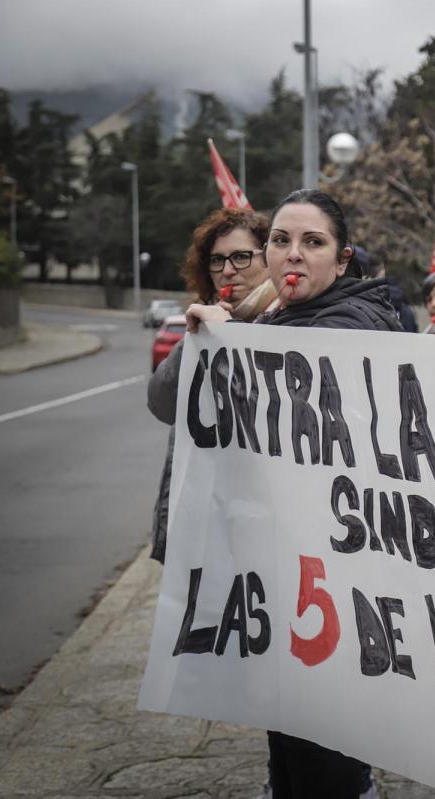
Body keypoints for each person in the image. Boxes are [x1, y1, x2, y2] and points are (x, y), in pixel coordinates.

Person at [188, 189, 403, 799]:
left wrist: (235, 341)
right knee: (290, 734)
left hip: (333, 574)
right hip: (290, 566)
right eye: (281, 241)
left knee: (322, 740)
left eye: (314, 242)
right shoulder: (284, 318)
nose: (294, 254)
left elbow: (290, 404)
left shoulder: (348, 322)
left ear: (342, 259)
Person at [147, 207, 276, 562]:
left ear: (270, 260)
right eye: (217, 261)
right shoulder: (205, 322)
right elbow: (161, 403)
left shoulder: (285, 324)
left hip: (254, 532)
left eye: (241, 257)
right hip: (201, 522)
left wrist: (230, 335)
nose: (228, 271)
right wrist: (198, 339)